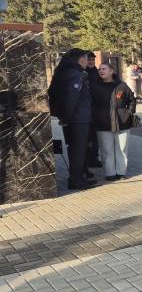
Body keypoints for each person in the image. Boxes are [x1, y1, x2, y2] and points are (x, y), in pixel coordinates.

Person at [48, 48, 96, 190]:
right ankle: (76, 180)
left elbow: (52, 93)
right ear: (81, 59)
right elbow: (71, 98)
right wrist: (66, 117)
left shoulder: (62, 72)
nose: (87, 61)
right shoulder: (76, 74)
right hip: (78, 118)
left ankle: (77, 177)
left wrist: (62, 116)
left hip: (71, 118)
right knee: (78, 150)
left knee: (75, 149)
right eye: (86, 58)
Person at [90, 63, 136, 181]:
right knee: (106, 150)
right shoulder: (95, 86)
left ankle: (121, 172)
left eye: (104, 69)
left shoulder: (121, 86)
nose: (101, 71)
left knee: (122, 148)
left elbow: (132, 99)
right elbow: (91, 104)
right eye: (99, 69)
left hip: (122, 123)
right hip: (103, 124)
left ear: (111, 71)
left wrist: (128, 113)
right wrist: (96, 115)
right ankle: (110, 173)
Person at [84, 51, 103, 169]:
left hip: (97, 108)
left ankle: (94, 157)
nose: (91, 62)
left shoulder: (98, 73)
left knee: (97, 135)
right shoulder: (83, 73)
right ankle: (88, 159)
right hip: (87, 109)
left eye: (92, 60)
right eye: (89, 60)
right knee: (88, 136)